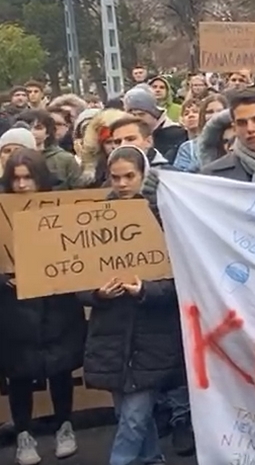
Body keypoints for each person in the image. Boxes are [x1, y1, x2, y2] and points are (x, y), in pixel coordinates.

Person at [84, 146, 185, 465]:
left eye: (130, 176)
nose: (123, 183)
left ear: (143, 175)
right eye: (116, 177)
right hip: (110, 337)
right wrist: (98, 294)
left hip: (151, 337)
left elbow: (179, 280)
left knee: (133, 417)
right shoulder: (91, 222)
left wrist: (145, 290)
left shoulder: (165, 218)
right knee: (128, 415)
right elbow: (73, 281)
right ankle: (153, 458)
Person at [0, 148, 85, 465]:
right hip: (14, 308)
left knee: (60, 368)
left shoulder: (61, 207)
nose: (22, 185)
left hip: (56, 303)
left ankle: (65, 426)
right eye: (16, 179)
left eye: (28, 178)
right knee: (18, 373)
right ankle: (24, 434)